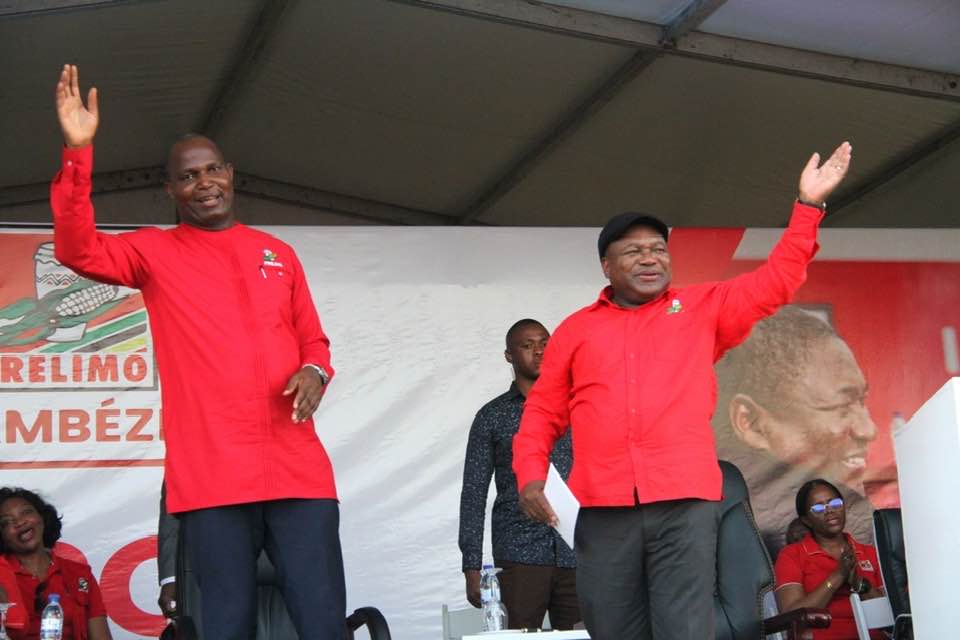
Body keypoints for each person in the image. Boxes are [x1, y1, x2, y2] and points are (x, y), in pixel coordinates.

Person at [513, 141, 853, 640]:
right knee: (611, 627)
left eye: (658, 249)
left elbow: (778, 281)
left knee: (685, 629)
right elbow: (542, 410)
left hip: (684, 503)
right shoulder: (576, 330)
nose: (649, 259)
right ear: (606, 266)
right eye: (633, 251)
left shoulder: (701, 308)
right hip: (604, 508)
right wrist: (529, 476)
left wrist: (808, 207)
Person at [51, 65, 345, 640]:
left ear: (230, 174)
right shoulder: (152, 251)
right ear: (171, 190)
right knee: (226, 625)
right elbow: (76, 249)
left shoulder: (276, 253)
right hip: (214, 476)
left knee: (323, 623)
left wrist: (315, 370)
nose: (204, 182)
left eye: (213, 169)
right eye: (188, 176)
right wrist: (77, 153)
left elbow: (314, 340)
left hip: (298, 470)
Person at [713, 305, 878, 557]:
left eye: (861, 401)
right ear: (752, 423)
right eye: (842, 406)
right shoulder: (719, 540)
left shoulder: (861, 525)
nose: (868, 430)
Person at [458, 319, 579, 630]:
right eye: (527, 345)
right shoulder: (492, 416)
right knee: (518, 635)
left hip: (577, 547)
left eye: (544, 343)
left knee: (585, 633)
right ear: (508, 356)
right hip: (519, 551)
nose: (539, 351)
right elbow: (473, 493)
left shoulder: (577, 407)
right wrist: (471, 565)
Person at [775, 479, 885, 639]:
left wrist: (859, 583)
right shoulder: (792, 555)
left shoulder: (869, 553)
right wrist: (838, 576)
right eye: (818, 508)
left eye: (835, 503)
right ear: (806, 520)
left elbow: (891, 615)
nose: (829, 511)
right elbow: (793, 616)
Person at [0, 488, 112, 640]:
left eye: (26, 512)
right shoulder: (2, 575)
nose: (19, 522)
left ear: (42, 517)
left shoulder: (79, 574)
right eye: (7, 522)